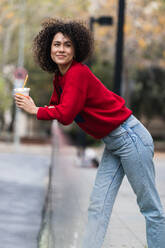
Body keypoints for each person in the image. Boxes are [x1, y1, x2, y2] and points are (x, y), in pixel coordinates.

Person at [15, 18, 165, 248]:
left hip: (130, 137)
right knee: (98, 205)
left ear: (75, 49)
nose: (61, 49)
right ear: (49, 49)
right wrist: (35, 106)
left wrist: (35, 110)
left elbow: (64, 115)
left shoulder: (77, 74)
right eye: (56, 44)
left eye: (67, 44)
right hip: (114, 142)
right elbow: (58, 107)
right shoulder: (61, 77)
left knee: (150, 207)